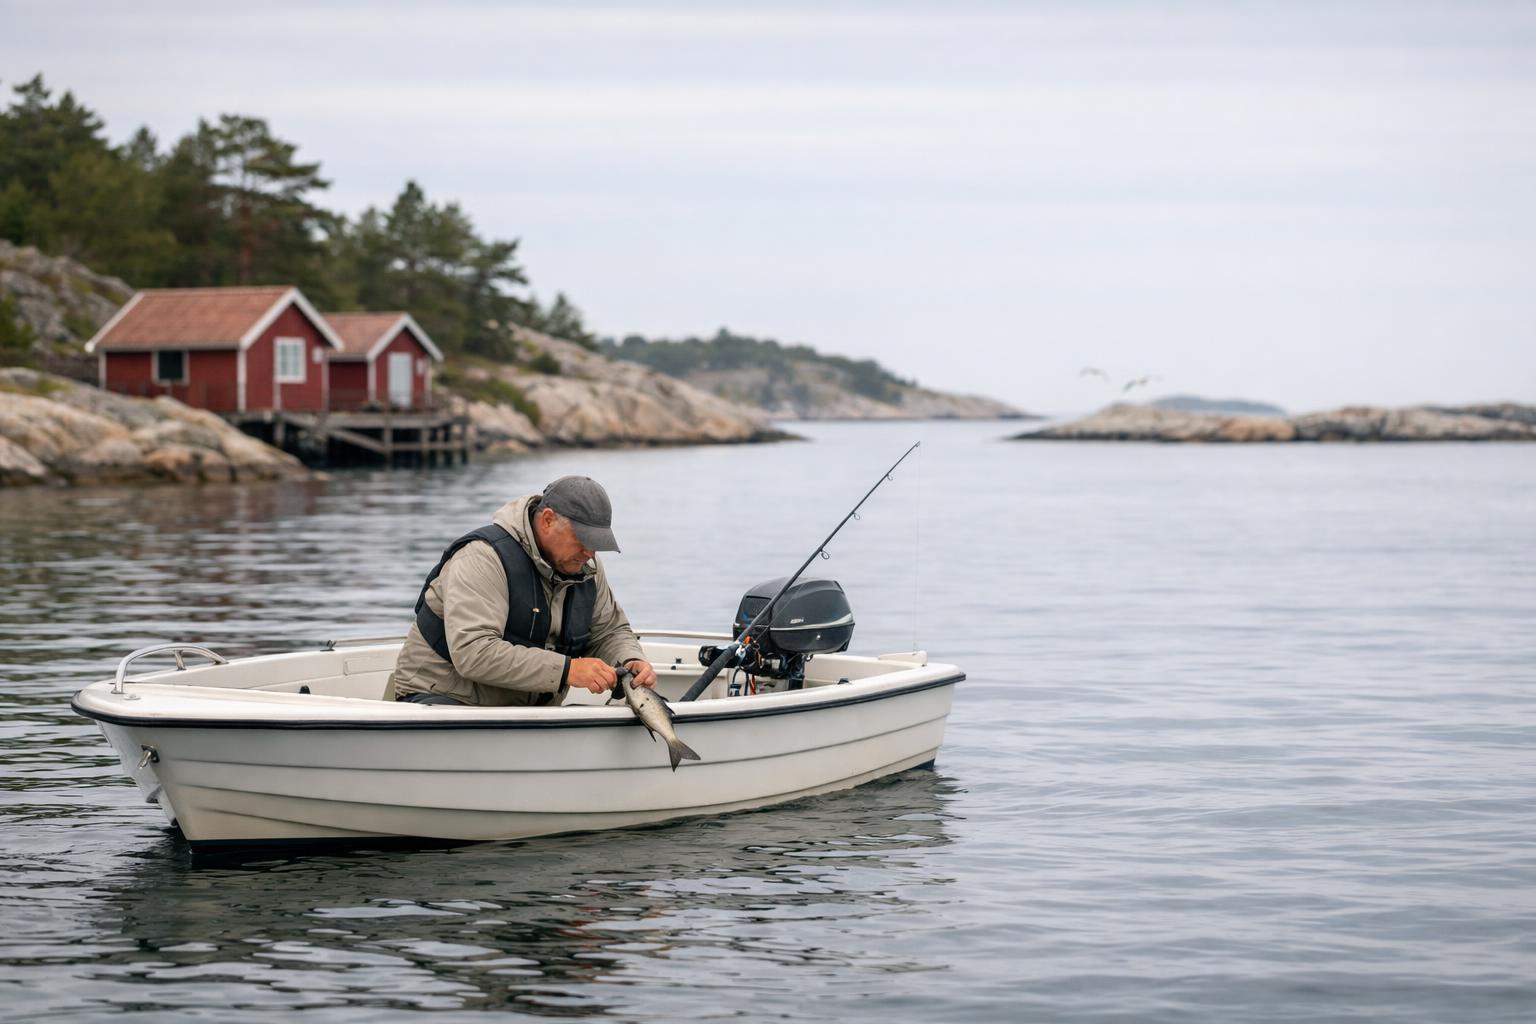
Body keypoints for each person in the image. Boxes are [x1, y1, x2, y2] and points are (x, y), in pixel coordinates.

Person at [387, 475, 657, 706]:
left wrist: (631, 659)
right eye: (583, 539)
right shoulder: (482, 559)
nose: (590, 552)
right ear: (548, 520)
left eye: (597, 542)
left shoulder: (585, 564)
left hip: (520, 715)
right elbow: (473, 652)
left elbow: (609, 631)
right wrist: (567, 670)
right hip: (440, 700)